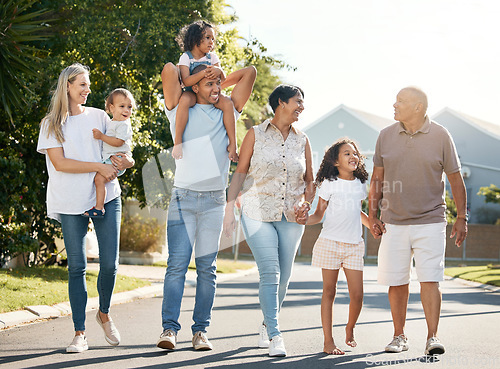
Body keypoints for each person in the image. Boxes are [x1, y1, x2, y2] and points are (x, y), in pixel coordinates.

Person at [157, 60, 256, 351]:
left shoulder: (227, 109)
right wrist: (197, 79)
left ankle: (200, 331)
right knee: (176, 267)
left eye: (218, 84)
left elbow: (248, 73)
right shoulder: (179, 108)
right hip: (183, 198)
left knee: (206, 269)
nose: (215, 88)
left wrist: (216, 80)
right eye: (208, 84)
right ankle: (169, 329)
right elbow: (170, 70)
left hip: (213, 200)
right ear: (195, 85)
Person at [37, 63, 135, 353]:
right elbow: (61, 163)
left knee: (109, 264)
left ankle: (103, 312)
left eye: (88, 84)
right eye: (82, 84)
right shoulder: (51, 124)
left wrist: (125, 162)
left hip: (106, 196)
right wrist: (98, 167)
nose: (87, 89)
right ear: (67, 85)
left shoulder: (100, 116)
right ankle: (80, 333)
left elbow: (120, 147)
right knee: (77, 267)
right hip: (69, 200)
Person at [368, 86, 467, 356]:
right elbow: (377, 179)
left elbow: (455, 178)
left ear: (418, 107)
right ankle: (399, 336)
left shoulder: (441, 135)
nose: (394, 104)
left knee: (430, 279)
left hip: (431, 219)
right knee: (397, 281)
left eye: (401, 101)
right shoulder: (385, 136)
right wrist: (373, 214)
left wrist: (461, 217)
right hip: (393, 222)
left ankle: (432, 337)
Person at [223, 84, 315, 357]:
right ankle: (276, 335)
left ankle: (267, 322)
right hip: (256, 211)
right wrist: (230, 207)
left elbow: (309, 181)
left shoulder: (303, 139)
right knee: (271, 273)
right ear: (280, 103)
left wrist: (305, 203)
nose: (301, 107)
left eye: (302, 102)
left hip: (291, 217)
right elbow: (240, 172)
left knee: (284, 278)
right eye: (297, 101)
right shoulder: (255, 134)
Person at [297, 138, 373, 355]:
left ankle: (350, 328)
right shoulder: (329, 183)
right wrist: (304, 220)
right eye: (347, 153)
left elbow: (356, 212)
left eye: (355, 153)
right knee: (329, 292)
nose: (353, 156)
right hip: (330, 242)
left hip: (354, 245)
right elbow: (319, 215)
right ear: (336, 161)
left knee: (357, 295)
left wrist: (373, 225)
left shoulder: (360, 185)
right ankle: (328, 341)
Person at [172, 20, 238, 162]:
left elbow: (223, 78)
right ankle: (178, 141)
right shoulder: (186, 57)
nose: (211, 42)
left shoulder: (212, 57)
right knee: (184, 100)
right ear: (196, 38)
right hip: (192, 92)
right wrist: (203, 74)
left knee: (227, 103)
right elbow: (186, 81)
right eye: (208, 38)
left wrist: (218, 70)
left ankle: (233, 143)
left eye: (213, 39)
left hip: (210, 93)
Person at [85, 88, 135, 217]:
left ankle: (99, 208)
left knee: (99, 179)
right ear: (112, 108)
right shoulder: (114, 122)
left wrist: (101, 137)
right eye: (122, 106)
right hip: (113, 158)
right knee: (98, 180)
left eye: (129, 107)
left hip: (117, 160)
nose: (126, 110)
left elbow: (118, 142)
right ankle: (99, 206)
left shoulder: (124, 124)